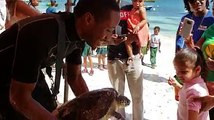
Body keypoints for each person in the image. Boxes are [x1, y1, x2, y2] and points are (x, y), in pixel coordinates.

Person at [0, 0, 120, 119]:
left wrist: (95, 109)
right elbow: (19, 98)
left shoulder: (78, 34)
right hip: (6, 76)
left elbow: (75, 78)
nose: (109, 37)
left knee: (51, 109)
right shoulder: (43, 33)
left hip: (23, 75)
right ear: (88, 19)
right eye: (108, 30)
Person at [107, 3, 143, 120]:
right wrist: (110, 38)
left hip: (133, 58)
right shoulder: (106, 8)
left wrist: (136, 37)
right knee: (118, 97)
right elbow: (101, 32)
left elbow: (144, 27)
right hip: (114, 58)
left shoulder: (132, 7)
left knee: (137, 97)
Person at [173, 47, 209, 120]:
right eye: (177, 71)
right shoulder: (192, 82)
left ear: (197, 70)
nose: (178, 75)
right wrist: (175, 85)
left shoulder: (194, 92)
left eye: (183, 72)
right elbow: (186, 93)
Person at [125, 0, 149, 67]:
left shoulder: (142, 9)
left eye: (140, 1)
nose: (137, 3)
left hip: (139, 29)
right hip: (134, 28)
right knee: (134, 42)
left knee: (128, 42)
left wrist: (138, 26)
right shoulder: (133, 8)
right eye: (135, 1)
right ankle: (136, 54)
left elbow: (145, 20)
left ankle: (131, 56)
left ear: (143, 1)